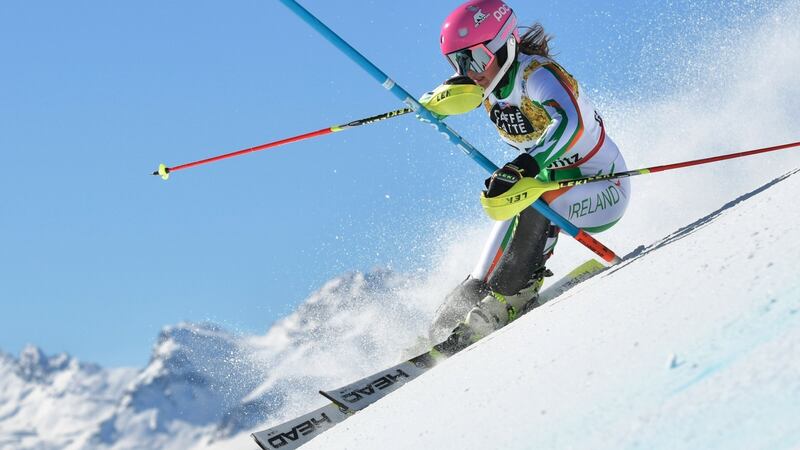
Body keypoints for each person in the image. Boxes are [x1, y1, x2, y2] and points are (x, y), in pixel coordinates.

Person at [428, 0, 631, 355]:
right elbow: (457, 94)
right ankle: (441, 330)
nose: (469, 70)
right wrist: (430, 105)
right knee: (480, 277)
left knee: (533, 200)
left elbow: (569, 123)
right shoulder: (487, 82)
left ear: (502, 43)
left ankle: (512, 296)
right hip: (548, 187)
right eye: (457, 61)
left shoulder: (536, 74)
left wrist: (525, 167)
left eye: (473, 58)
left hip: (603, 187)